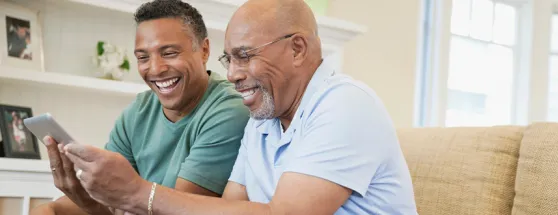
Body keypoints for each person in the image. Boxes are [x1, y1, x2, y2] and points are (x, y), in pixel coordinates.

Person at [58, 0, 419, 214]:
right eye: (228, 59)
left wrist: (140, 193)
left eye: (245, 57)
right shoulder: (263, 118)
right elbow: (229, 207)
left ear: (297, 49)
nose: (231, 75)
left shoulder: (345, 105)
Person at [31, 0, 249, 214]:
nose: (155, 69)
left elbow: (174, 210)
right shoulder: (138, 112)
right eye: (143, 57)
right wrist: (52, 208)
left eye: (169, 53)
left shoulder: (229, 110)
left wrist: (90, 205)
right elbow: (111, 198)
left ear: (204, 50)